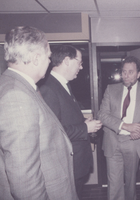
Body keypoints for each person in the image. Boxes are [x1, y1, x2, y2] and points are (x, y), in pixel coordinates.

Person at [0, 26, 78, 200]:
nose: (49, 61)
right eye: (48, 56)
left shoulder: (15, 85)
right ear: (36, 58)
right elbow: (24, 179)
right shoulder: (16, 95)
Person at [38, 45, 102, 199]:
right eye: (79, 62)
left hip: (75, 163)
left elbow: (63, 118)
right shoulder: (49, 88)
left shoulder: (63, 84)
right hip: (66, 163)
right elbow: (52, 131)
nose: (81, 67)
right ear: (66, 60)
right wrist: (84, 128)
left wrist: (83, 122)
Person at [97, 56, 140, 200]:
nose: (126, 75)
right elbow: (102, 115)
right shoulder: (111, 89)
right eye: (124, 71)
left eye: (130, 72)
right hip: (113, 139)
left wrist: (137, 128)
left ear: (138, 74)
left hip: (134, 142)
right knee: (114, 182)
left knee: (130, 182)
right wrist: (125, 126)